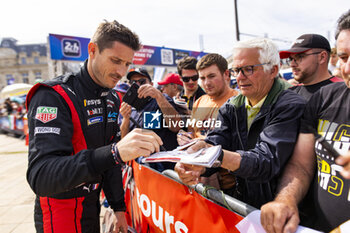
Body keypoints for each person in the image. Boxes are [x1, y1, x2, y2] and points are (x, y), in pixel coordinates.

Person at [26, 20, 163, 233]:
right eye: (115, 60)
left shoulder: (111, 99)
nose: (121, 71)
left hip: (91, 207)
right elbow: (41, 176)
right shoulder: (53, 96)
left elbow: (111, 162)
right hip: (60, 211)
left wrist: (118, 208)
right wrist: (114, 152)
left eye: (126, 64)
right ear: (92, 50)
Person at [174, 38, 306, 209]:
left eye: (248, 69)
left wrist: (213, 154)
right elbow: (216, 140)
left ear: (273, 70)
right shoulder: (232, 106)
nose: (240, 77)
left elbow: (267, 161)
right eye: (237, 70)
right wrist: (196, 164)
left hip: (282, 211)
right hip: (245, 205)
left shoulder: (290, 104)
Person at [260, 10, 350, 233]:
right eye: (345, 57)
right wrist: (286, 199)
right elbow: (301, 164)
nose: (346, 68)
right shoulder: (323, 98)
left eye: (299, 57)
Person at [177, 53, 238, 193]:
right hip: (198, 178)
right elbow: (191, 132)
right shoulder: (200, 101)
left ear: (226, 74)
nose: (206, 83)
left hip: (228, 187)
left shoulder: (238, 101)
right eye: (202, 78)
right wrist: (183, 137)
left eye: (211, 76)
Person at [120, 68, 181, 171]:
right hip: (138, 168)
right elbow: (124, 140)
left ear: (151, 84)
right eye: (133, 82)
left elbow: (176, 126)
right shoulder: (128, 106)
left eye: (142, 81)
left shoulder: (161, 98)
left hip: (163, 168)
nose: (138, 84)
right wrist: (125, 119)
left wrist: (158, 96)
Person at [280, 34, 343, 100]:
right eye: (290, 59)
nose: (292, 64)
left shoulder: (343, 92)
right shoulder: (290, 94)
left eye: (299, 57)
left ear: (322, 57)